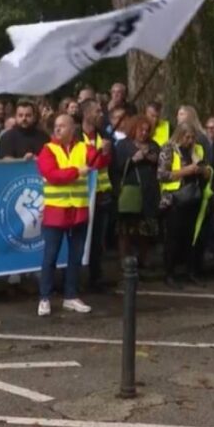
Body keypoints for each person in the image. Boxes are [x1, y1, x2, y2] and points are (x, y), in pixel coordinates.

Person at [36, 114, 96, 317]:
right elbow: (52, 175)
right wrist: (76, 172)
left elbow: (99, 160)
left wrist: (104, 151)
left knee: (75, 258)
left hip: (78, 211)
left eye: (63, 126)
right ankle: (44, 297)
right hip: (56, 213)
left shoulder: (82, 147)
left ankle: (71, 296)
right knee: (50, 257)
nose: (58, 129)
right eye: (56, 126)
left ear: (72, 128)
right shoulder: (47, 150)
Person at [157, 123, 212, 289]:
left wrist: (204, 171)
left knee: (191, 238)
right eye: (187, 137)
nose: (190, 141)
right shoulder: (168, 149)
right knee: (173, 239)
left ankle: (190, 272)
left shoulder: (197, 150)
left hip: (193, 197)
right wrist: (185, 171)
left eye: (192, 137)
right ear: (179, 135)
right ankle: (169, 274)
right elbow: (162, 175)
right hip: (175, 199)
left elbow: (208, 169)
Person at [111, 115, 160, 270]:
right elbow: (117, 167)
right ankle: (124, 259)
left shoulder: (153, 145)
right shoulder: (123, 145)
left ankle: (143, 258)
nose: (144, 133)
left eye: (147, 130)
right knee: (125, 229)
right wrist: (133, 160)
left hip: (149, 191)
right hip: (130, 189)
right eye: (141, 130)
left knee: (145, 229)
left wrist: (153, 158)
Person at [79, 99, 114, 292]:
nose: (101, 114)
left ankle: (95, 276)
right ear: (86, 114)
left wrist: (106, 154)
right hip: (82, 194)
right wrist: (101, 154)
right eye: (97, 111)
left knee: (98, 239)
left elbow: (106, 163)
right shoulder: (76, 136)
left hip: (101, 194)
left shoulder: (103, 135)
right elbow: (89, 162)